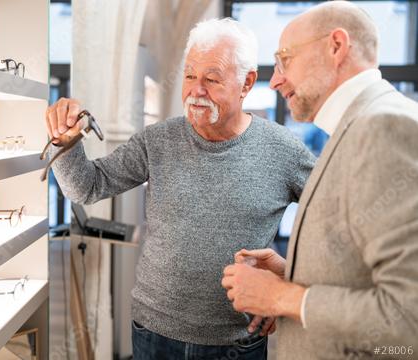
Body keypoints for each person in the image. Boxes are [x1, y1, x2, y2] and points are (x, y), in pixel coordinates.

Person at [46, 18, 315, 359]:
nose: (196, 90)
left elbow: (335, 226)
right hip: (153, 333)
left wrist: (287, 286)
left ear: (246, 83)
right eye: (189, 76)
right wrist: (63, 143)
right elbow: (87, 187)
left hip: (236, 341)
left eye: (212, 79)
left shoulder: (284, 151)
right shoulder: (157, 140)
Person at [221, 2, 418, 359]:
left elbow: (409, 320)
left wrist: (279, 297)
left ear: (336, 46)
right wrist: (292, 272)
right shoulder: (354, 127)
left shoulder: (384, 128)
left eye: (284, 59)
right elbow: (361, 270)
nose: (277, 78)